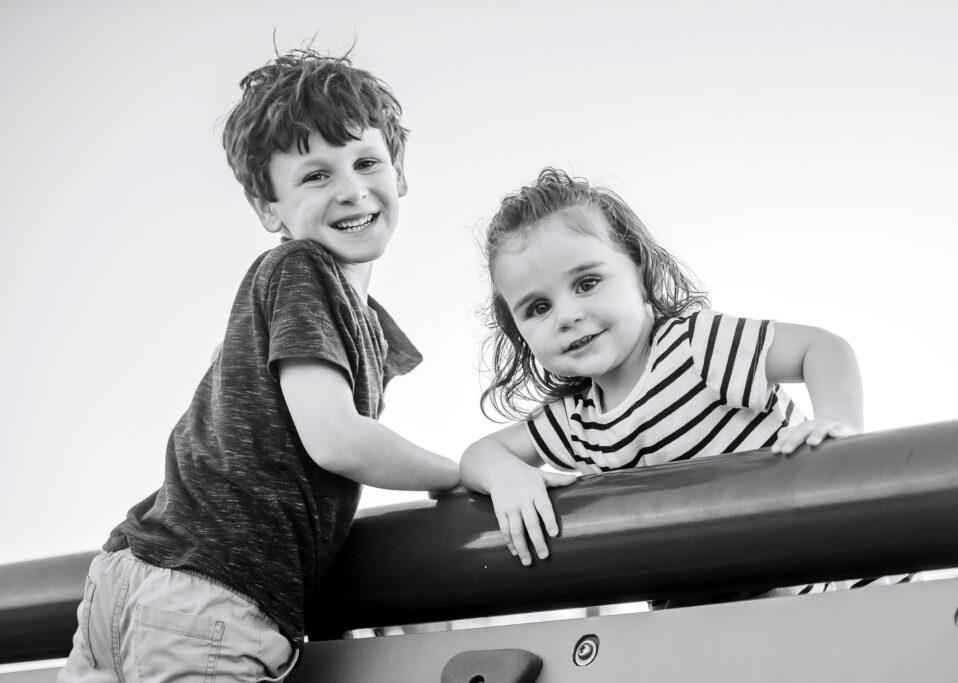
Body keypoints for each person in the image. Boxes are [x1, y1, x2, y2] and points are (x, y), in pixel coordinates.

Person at [59, 49, 460, 682]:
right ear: (268, 210)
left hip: (138, 573)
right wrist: (459, 475)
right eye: (315, 176)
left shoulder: (327, 305)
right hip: (209, 598)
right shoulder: (301, 269)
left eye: (365, 162)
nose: (351, 190)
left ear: (399, 172)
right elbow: (335, 439)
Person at [460, 168, 863, 567]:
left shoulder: (694, 347)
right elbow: (479, 455)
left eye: (586, 283)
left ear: (637, 267)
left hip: (838, 578)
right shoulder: (578, 423)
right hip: (730, 610)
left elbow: (822, 349)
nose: (567, 316)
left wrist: (835, 422)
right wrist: (506, 477)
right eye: (539, 308)